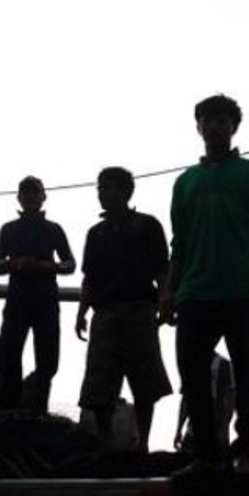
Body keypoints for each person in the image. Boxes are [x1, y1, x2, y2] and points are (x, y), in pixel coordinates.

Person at [160, 94, 249, 473]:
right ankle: (205, 456)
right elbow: (178, 242)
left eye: (221, 120)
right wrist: (168, 291)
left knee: (247, 376)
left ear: (233, 126)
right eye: (207, 120)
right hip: (194, 292)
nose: (213, 126)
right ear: (198, 127)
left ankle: (247, 452)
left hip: (241, 289)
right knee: (192, 377)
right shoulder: (185, 182)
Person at [75, 166, 174, 451]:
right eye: (100, 188)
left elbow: (162, 271)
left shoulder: (147, 225)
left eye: (108, 187)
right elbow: (89, 277)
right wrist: (82, 311)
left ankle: (142, 442)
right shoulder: (96, 233)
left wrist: (165, 300)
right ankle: (106, 441)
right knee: (98, 382)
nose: (103, 194)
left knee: (145, 381)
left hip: (140, 309)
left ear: (125, 191)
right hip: (104, 311)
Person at [0, 176, 75, 413]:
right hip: (18, 299)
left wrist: (51, 267)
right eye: (25, 193)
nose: (30, 197)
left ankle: (40, 409)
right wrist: (15, 264)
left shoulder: (53, 229)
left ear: (43, 196)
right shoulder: (9, 229)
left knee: (48, 360)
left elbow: (70, 263)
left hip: (46, 299)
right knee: (9, 357)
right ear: (19, 198)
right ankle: (8, 411)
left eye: (34, 192)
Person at [174, 351, 236, 455]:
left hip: (216, 430)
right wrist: (179, 429)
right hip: (193, 431)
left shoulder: (224, 365)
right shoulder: (191, 366)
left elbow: (230, 401)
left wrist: (224, 428)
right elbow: (185, 401)